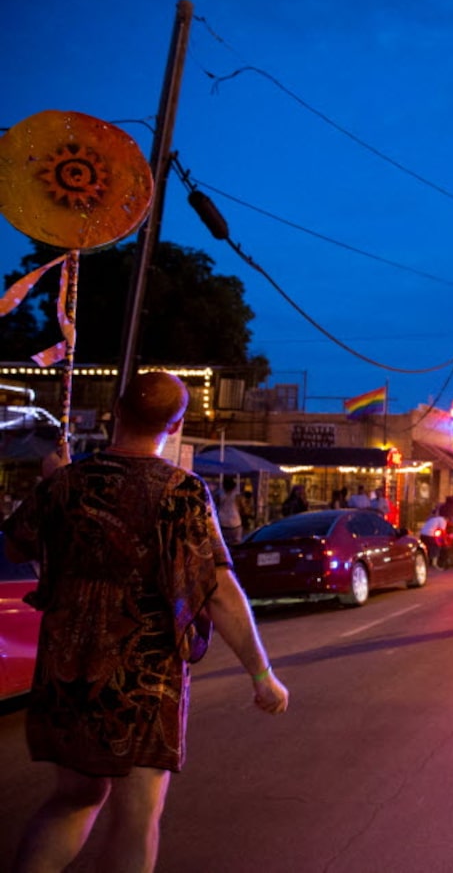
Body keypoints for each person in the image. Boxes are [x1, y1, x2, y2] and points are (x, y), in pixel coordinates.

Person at [2, 371, 290, 873]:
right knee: (136, 817)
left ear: (116, 412)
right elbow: (218, 590)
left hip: (66, 670)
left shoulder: (65, 483)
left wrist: (53, 485)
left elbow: (12, 544)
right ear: (175, 423)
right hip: (142, 679)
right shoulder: (181, 492)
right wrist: (260, 674)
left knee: (74, 798)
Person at [216, 476, 243, 545]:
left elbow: (216, 505)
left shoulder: (219, 493)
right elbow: (241, 505)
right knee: (236, 542)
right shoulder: (236, 493)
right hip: (235, 521)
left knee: (223, 543)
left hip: (222, 521)